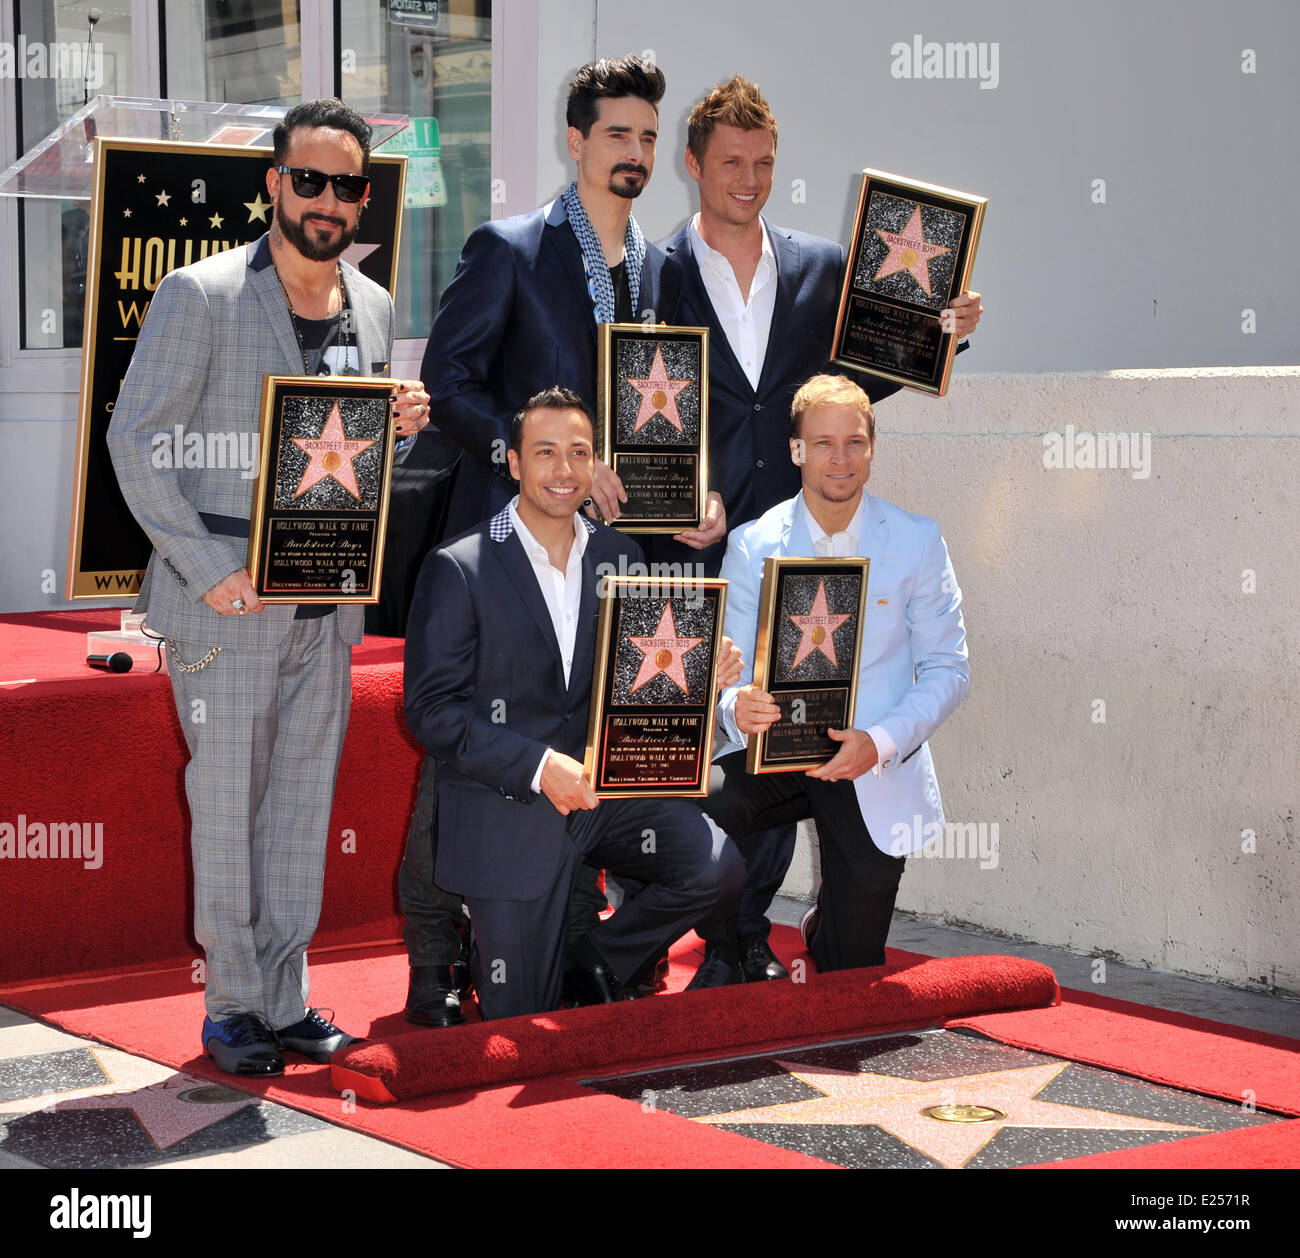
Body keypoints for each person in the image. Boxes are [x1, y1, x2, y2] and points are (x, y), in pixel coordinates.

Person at [107, 99, 431, 1076]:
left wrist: (399, 418)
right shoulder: (198, 295)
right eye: (309, 179)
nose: (326, 200)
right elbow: (135, 442)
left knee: (297, 804)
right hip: (224, 607)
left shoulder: (370, 307)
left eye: (345, 185)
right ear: (274, 185)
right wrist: (208, 572)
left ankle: (285, 998)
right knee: (232, 803)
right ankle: (233, 1006)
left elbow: (347, 452)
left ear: (361, 197)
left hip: (324, 604)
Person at [400, 54, 725, 1024]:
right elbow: (449, 382)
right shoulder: (508, 248)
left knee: (591, 739)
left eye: (646, 136)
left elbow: (672, 407)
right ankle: (430, 959)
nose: (634, 151)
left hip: (618, 557)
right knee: (461, 758)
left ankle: (582, 939)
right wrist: (537, 457)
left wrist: (689, 489)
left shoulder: (666, 267)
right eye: (616, 133)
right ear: (575, 140)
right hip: (503, 548)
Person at [654, 76, 982, 982]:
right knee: (716, 757)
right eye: (730, 162)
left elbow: (859, 380)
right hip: (694, 549)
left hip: (804, 536)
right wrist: (673, 497)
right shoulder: (651, 273)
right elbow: (634, 404)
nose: (748, 178)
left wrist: (938, 333)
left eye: (763, 162)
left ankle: (754, 943)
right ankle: (719, 939)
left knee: (795, 739)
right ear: (693, 165)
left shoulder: (825, 266)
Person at [402, 388, 743, 1021]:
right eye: (546, 452)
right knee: (522, 1015)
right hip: (513, 802)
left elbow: (639, 692)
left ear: (596, 464)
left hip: (599, 797)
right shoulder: (459, 566)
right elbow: (431, 711)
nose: (563, 470)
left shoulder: (622, 556)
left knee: (714, 866)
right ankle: (487, 946)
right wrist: (537, 766)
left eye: (579, 453)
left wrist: (703, 678)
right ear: (513, 462)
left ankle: (600, 956)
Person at [696, 373, 969, 979]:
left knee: (851, 967)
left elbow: (949, 668)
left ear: (872, 447)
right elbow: (728, 671)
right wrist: (734, 705)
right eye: (822, 443)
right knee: (698, 808)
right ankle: (729, 941)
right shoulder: (751, 544)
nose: (839, 458)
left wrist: (881, 741)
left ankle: (825, 924)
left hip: (867, 757)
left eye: (854, 442)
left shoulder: (918, 540)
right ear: (796, 450)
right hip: (775, 757)